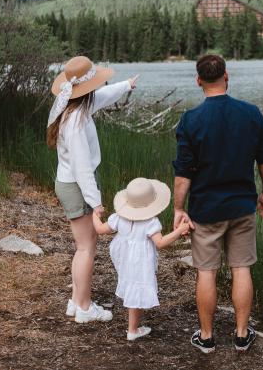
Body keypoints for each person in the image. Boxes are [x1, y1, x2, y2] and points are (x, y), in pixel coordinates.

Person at [172, 54, 263, 353]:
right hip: (242, 207)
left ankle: (206, 337)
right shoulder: (251, 114)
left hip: (206, 209)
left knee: (207, 272)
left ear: (198, 80)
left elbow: (183, 173)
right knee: (241, 269)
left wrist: (179, 209)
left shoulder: (191, 120)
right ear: (226, 76)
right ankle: (242, 335)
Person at [46, 55, 139, 323]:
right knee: (86, 247)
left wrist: (126, 86)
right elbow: (82, 167)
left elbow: (102, 97)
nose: (96, 90)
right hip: (76, 185)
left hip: (71, 184)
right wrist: (96, 202)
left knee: (83, 246)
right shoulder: (75, 122)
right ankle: (85, 308)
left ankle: (77, 301)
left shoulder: (76, 106)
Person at [92, 177, 191, 340]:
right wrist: (180, 230)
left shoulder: (118, 217)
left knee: (132, 285)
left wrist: (94, 214)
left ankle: (133, 327)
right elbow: (160, 243)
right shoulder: (150, 222)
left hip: (122, 257)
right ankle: (132, 330)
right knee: (136, 288)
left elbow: (100, 229)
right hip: (140, 260)